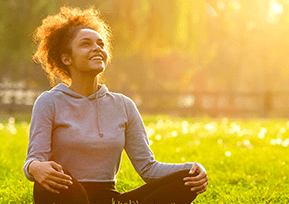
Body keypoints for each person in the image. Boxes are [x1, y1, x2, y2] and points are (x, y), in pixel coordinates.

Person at [23, 6, 208, 204]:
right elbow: (34, 160)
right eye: (86, 44)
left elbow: (148, 168)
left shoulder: (124, 105)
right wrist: (34, 167)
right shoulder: (49, 101)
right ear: (67, 58)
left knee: (186, 179)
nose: (97, 48)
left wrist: (192, 168)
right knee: (63, 188)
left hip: (107, 198)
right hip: (64, 192)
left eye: (101, 44)